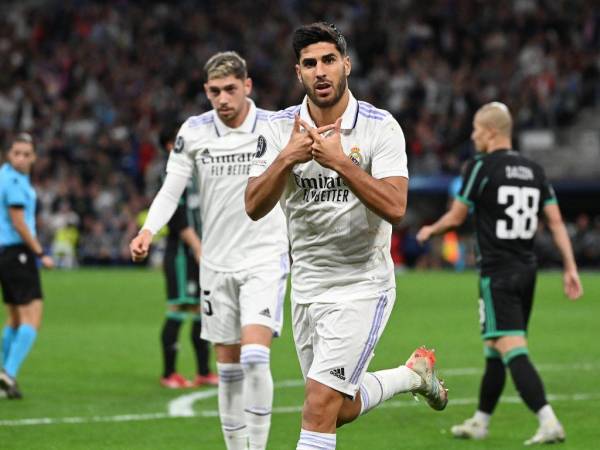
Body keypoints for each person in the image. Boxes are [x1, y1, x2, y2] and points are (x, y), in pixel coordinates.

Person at [245, 23, 447, 450]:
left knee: (318, 407)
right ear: (297, 72)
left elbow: (396, 206)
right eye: (309, 63)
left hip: (362, 286)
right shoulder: (279, 129)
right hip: (307, 289)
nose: (320, 71)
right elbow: (253, 205)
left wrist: (342, 164)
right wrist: (286, 159)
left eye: (329, 61)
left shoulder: (380, 127)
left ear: (346, 65)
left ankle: (411, 375)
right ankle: (413, 375)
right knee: (339, 407)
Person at [130, 52, 289, 450]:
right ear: (206, 91)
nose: (223, 99)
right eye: (215, 91)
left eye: (231, 89)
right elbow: (172, 188)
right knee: (229, 370)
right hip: (216, 263)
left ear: (247, 86)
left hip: (263, 257)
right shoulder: (194, 132)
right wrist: (148, 230)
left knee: (255, 358)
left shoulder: (274, 126)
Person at [416, 102, 583, 445]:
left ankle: (548, 420)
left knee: (511, 349)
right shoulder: (534, 169)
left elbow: (457, 216)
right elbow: (554, 222)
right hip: (527, 271)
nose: (473, 135)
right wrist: (570, 267)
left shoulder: (480, 166)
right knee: (495, 346)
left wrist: (430, 229)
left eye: (477, 129)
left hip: (498, 274)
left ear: (491, 132)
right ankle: (480, 421)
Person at [155, 125, 217, 389]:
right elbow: (177, 219)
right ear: (172, 145)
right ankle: (169, 374)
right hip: (182, 255)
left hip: (201, 252)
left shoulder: (199, 172)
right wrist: (197, 247)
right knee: (179, 308)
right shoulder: (171, 175)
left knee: (200, 310)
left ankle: (203, 371)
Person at [0, 133, 54, 399]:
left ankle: (4, 372)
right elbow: (18, 221)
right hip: (17, 253)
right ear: (9, 155)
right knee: (33, 317)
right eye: (16, 153)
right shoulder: (13, 182)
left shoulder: (5, 176)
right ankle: (8, 372)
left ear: (33, 157)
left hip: (5, 254)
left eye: (25, 153)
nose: (20, 157)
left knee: (14, 317)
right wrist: (40, 252)